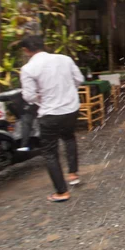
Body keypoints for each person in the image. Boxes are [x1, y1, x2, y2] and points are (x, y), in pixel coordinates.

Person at [19, 36, 84, 202]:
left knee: (50, 153)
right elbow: (79, 79)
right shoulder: (65, 59)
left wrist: (41, 97)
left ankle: (62, 192)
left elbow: (28, 96)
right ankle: (73, 174)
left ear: (26, 50)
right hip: (71, 109)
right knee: (69, 138)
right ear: (43, 45)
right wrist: (67, 92)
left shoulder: (28, 68)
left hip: (50, 114)